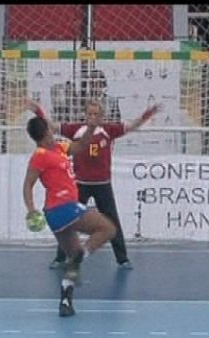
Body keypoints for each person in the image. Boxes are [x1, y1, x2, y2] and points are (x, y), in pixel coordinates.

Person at [27, 98, 160, 270]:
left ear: (101, 115)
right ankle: (62, 257)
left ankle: (122, 258)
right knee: (68, 222)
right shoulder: (76, 129)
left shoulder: (108, 130)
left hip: (102, 183)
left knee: (112, 221)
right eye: (89, 113)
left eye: (95, 114)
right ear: (85, 114)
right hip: (81, 183)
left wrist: (145, 116)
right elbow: (52, 127)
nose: (92, 117)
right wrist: (39, 112)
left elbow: (130, 127)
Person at [23, 115, 116, 317]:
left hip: (55, 215)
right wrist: (30, 209)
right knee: (108, 229)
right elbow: (27, 184)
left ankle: (66, 301)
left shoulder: (58, 147)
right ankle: (80, 257)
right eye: (49, 127)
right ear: (46, 131)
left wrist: (90, 129)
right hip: (63, 207)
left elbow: (81, 146)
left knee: (74, 257)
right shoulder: (39, 155)